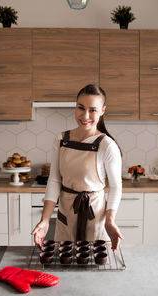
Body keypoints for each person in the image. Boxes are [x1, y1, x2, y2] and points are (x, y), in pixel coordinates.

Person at [31, 84, 123, 250]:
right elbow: (54, 180)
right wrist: (45, 220)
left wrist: (110, 220)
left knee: (95, 268)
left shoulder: (107, 145)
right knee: (65, 264)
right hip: (66, 214)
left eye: (93, 110)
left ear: (103, 111)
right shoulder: (61, 139)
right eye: (81, 108)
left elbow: (116, 187)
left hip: (95, 216)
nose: (85, 115)